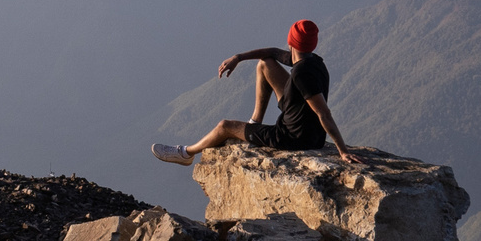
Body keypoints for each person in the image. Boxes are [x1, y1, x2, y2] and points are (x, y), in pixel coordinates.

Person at [151, 19, 353, 165]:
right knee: (265, 64)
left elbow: (323, 113)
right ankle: (254, 124)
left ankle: (186, 154)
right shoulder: (313, 61)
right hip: (306, 127)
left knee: (224, 126)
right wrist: (238, 57)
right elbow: (272, 53)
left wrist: (342, 151)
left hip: (292, 138)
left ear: (290, 41)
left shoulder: (301, 73)